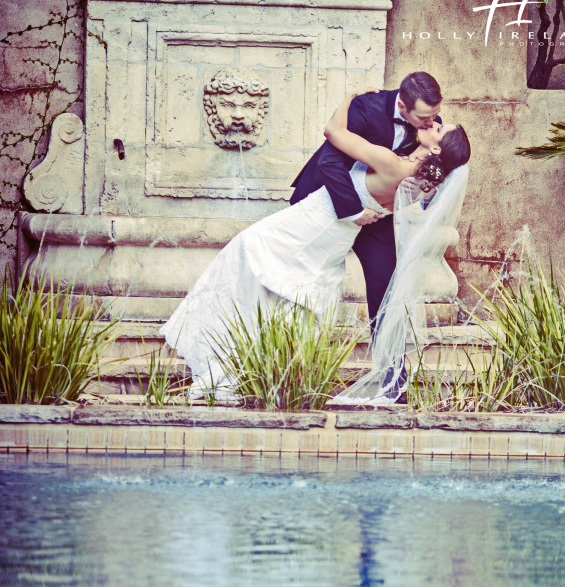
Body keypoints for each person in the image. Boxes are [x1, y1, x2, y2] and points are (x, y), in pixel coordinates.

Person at [161, 89, 470, 404]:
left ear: (433, 147)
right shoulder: (415, 186)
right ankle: (250, 373)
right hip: (329, 241)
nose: (436, 122)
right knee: (286, 297)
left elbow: (334, 132)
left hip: (309, 226)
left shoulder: (393, 165)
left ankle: (221, 368)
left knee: (244, 258)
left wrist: (349, 96)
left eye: (440, 128)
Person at [290, 71, 445, 330]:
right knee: (302, 279)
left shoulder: (430, 124)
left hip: (376, 214)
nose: (432, 122)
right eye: (423, 117)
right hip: (330, 199)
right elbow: (330, 162)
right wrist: (353, 210)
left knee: (385, 285)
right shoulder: (366, 106)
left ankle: (390, 367)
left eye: (435, 115)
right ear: (402, 105)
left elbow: (430, 169)